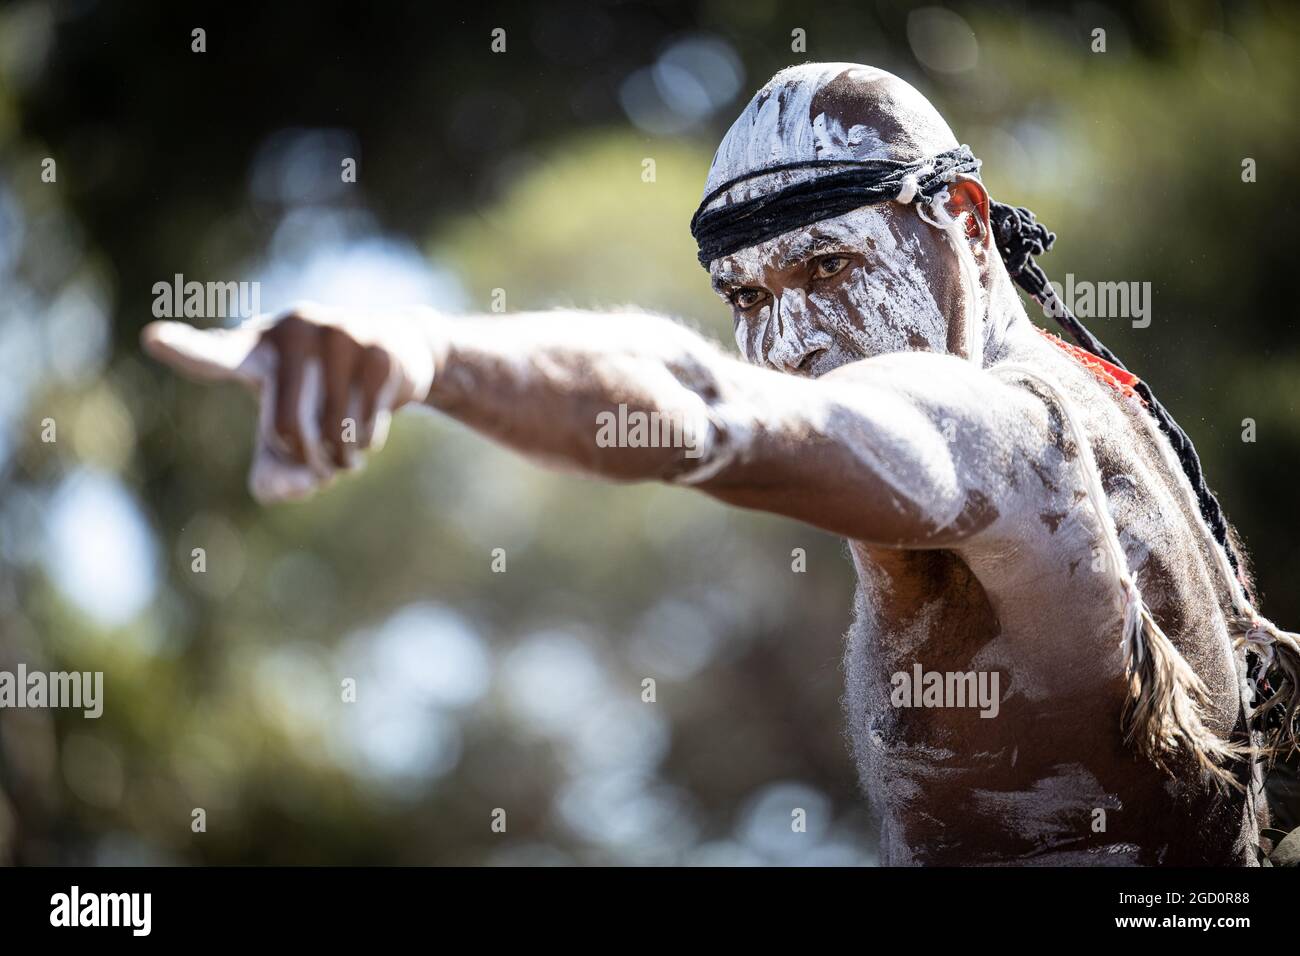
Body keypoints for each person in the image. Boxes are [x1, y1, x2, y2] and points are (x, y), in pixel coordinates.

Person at [144, 63, 1298, 865]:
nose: (789, 342)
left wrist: (430, 351)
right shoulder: (1108, 405)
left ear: (958, 213)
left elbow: (706, 404)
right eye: (744, 297)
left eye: (828, 273)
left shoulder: (992, 425)